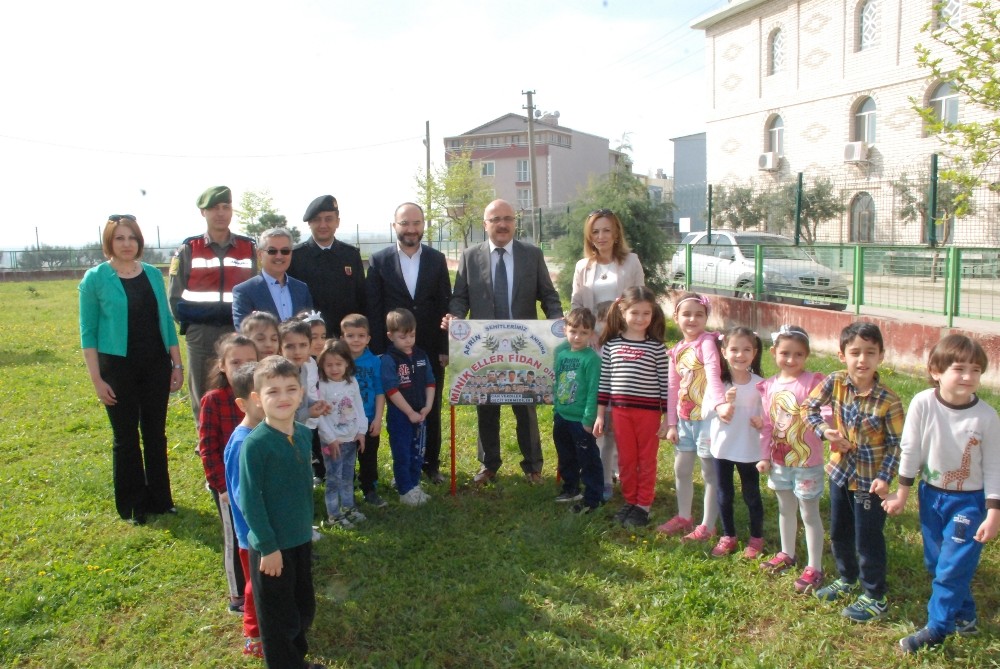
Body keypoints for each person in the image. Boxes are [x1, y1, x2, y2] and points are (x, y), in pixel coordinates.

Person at [882, 334, 1000, 653]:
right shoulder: (923, 402)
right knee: (936, 562)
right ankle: (965, 616)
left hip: (969, 502)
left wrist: (993, 511)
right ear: (936, 370)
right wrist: (902, 493)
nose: (968, 376)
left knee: (950, 567)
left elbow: (994, 466)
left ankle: (937, 628)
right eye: (959, 368)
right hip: (931, 495)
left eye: (976, 370)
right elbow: (911, 449)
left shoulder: (987, 417)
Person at [445, 199, 563, 484]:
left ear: (515, 223)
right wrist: (456, 318)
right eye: (495, 219)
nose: (502, 224)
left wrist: (558, 323)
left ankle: (533, 466)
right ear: (485, 224)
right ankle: (489, 465)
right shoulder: (470, 257)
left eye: (507, 218)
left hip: (525, 345)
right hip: (484, 345)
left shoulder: (531, 255)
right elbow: (460, 296)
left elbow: (548, 295)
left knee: (526, 405)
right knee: (485, 403)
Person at [79, 214, 182, 524]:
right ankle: (133, 503)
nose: (127, 244)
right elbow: (88, 332)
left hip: (155, 364)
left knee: (155, 434)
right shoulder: (95, 278)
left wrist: (176, 363)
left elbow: (166, 320)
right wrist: (97, 379)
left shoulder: (151, 273)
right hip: (117, 367)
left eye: (132, 238)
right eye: (120, 238)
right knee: (125, 436)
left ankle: (161, 499)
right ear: (109, 242)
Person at [804, 322, 904, 623]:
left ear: (881, 357)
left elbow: (898, 445)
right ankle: (847, 578)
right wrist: (826, 432)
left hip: (869, 483)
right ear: (841, 355)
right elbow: (808, 408)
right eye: (855, 352)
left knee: (867, 538)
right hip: (840, 473)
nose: (862, 360)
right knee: (840, 531)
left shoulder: (889, 400)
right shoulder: (834, 382)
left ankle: (875, 596)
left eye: (870, 353)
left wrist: (885, 477)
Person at [238, 356, 324, 669]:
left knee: (302, 607)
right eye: (273, 391)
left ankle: (297, 659)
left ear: (301, 393)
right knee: (278, 616)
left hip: (300, 538)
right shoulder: (257, 445)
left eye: (290, 389)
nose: (283, 397)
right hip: (271, 548)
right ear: (258, 400)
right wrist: (268, 547)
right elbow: (250, 499)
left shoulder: (302, 434)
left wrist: (306, 531)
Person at [366, 202, 451, 484]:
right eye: (405, 223)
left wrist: (443, 347)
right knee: (398, 407)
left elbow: (444, 305)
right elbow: (374, 308)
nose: (411, 229)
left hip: (426, 347)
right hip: (392, 351)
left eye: (416, 223)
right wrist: (380, 351)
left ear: (424, 225)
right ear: (395, 227)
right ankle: (402, 461)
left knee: (431, 403)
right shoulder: (379, 261)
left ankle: (430, 464)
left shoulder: (437, 260)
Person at [169, 186, 257, 425]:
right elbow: (174, 296)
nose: (220, 213)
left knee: (241, 384)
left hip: (237, 331)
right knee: (201, 388)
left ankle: (241, 432)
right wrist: (191, 325)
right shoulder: (189, 249)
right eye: (214, 208)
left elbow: (256, 287)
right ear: (203, 212)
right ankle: (204, 437)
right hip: (201, 332)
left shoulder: (248, 248)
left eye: (225, 207)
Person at [757, 325, 829, 593]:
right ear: (774, 352)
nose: (791, 359)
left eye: (798, 354)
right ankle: (787, 553)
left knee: (809, 513)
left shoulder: (813, 382)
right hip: (779, 462)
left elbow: (827, 410)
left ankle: (815, 566)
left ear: (806, 355)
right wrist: (764, 456)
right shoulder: (769, 386)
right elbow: (767, 425)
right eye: (785, 353)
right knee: (785, 508)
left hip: (807, 463)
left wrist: (828, 427)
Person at [593, 286, 669, 528]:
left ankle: (643, 505)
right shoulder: (612, 346)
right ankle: (630, 500)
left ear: (653, 315)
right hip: (620, 414)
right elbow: (605, 382)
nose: (640, 319)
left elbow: (666, 385)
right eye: (635, 313)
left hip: (648, 415)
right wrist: (600, 415)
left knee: (645, 460)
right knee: (626, 459)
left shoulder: (657, 347)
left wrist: (668, 418)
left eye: (646, 313)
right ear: (623, 311)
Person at [198, 334, 257, 614]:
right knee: (235, 539)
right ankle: (237, 596)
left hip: (257, 483)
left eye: (251, 361)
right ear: (222, 366)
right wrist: (221, 486)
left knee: (255, 535)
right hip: (227, 487)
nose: (243, 367)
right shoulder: (214, 400)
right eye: (236, 362)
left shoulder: (262, 398)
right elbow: (207, 448)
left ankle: (258, 583)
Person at [659, 292, 725, 541]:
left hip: (707, 420)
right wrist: (672, 423)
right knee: (681, 469)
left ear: (707, 317)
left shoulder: (707, 343)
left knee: (710, 473)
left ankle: (708, 525)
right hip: (684, 421)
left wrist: (718, 405)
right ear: (676, 317)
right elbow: (673, 389)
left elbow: (713, 373)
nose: (692, 319)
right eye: (686, 314)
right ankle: (684, 516)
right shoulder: (675, 351)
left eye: (699, 314)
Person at [707, 327, 765, 559]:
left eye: (746, 350)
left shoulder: (762, 384)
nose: (740, 355)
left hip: (749, 449)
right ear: (723, 351)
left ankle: (756, 537)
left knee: (752, 494)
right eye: (734, 349)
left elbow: (769, 414)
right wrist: (722, 406)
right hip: (723, 448)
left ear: (755, 352)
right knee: (724, 493)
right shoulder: (718, 384)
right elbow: (705, 411)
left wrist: (762, 420)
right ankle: (728, 535)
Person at [222, 362, 263, 659]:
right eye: (259, 397)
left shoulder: (267, 433)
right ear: (242, 403)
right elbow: (243, 495)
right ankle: (254, 635)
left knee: (270, 586)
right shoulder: (242, 442)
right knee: (255, 588)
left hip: (272, 530)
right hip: (253, 536)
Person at [287, 195, 365, 338]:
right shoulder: (295, 257)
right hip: (309, 340)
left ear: (338, 222)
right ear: (309, 223)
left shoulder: (351, 255)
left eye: (329, 219)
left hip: (345, 339)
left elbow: (361, 298)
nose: (323, 225)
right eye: (317, 220)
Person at [382, 308, 436, 505]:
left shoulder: (421, 355)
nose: (408, 340)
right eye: (403, 336)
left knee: (418, 452)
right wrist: (409, 412)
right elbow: (391, 390)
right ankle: (405, 490)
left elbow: (431, 382)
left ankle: (414, 484)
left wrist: (427, 407)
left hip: (421, 413)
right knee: (402, 452)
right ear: (390, 335)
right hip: (400, 415)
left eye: (412, 335)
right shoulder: (389, 359)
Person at [552, 307, 603, 514]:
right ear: (565, 330)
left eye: (584, 332)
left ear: (591, 334)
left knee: (588, 459)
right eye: (573, 331)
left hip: (581, 419)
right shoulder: (561, 353)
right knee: (566, 455)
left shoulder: (591, 359)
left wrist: (588, 418)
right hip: (562, 415)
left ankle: (593, 496)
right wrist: (557, 408)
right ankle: (571, 488)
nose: (577, 337)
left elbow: (593, 391)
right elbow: (558, 382)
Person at [315, 340, 368, 528]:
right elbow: (320, 416)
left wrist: (361, 431)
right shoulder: (321, 386)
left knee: (347, 475)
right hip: (332, 442)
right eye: (329, 364)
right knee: (333, 477)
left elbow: (359, 407)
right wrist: (330, 438)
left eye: (338, 364)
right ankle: (334, 515)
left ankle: (348, 508)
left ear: (347, 363)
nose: (334, 368)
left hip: (351, 439)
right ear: (322, 365)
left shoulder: (351, 382)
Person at [340, 314, 387, 507]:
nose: (356, 340)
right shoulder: (337, 361)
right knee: (346, 458)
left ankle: (369, 489)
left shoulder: (374, 361)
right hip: (344, 420)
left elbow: (379, 391)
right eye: (350, 336)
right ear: (342, 339)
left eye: (361, 335)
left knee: (368, 457)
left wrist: (377, 418)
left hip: (368, 419)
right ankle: (346, 491)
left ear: (368, 338)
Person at [232, 228, 314, 329]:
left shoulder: (302, 289)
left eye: (285, 251)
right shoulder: (244, 291)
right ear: (259, 254)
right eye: (272, 251)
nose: (279, 256)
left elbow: (311, 329)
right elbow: (244, 333)